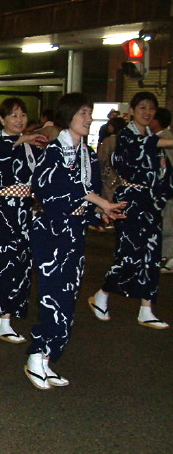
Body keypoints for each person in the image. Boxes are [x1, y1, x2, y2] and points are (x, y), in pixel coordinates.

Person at [27, 93, 125, 389]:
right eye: (83, 113)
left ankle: (48, 357)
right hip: (51, 232)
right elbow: (53, 188)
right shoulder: (53, 150)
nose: (88, 118)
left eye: (90, 113)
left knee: (68, 297)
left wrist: (101, 212)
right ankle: (36, 355)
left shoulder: (88, 153)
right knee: (51, 295)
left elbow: (91, 189)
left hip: (74, 232)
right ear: (68, 115)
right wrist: (99, 202)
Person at [89, 92, 173, 329]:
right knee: (129, 254)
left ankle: (146, 308)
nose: (147, 112)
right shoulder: (127, 136)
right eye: (142, 107)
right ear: (132, 111)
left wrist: (163, 192)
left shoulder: (151, 138)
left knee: (151, 255)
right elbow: (143, 147)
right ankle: (102, 294)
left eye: (151, 108)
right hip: (130, 202)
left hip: (151, 203)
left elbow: (165, 173)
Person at [0, 98, 47, 344]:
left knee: (22, 265)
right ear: (3, 120)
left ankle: (6, 320)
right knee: (3, 263)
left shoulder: (31, 146)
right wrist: (26, 139)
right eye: (14, 115)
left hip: (24, 211)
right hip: (0, 210)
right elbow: (2, 153)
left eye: (23, 115)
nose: (19, 120)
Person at [150, 108, 173, 273]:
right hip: (166, 191)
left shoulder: (162, 140)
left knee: (166, 226)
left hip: (166, 191)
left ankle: (167, 259)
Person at [96, 116, 126, 203]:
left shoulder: (108, 141)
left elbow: (101, 159)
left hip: (109, 175)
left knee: (108, 197)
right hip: (123, 176)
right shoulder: (126, 140)